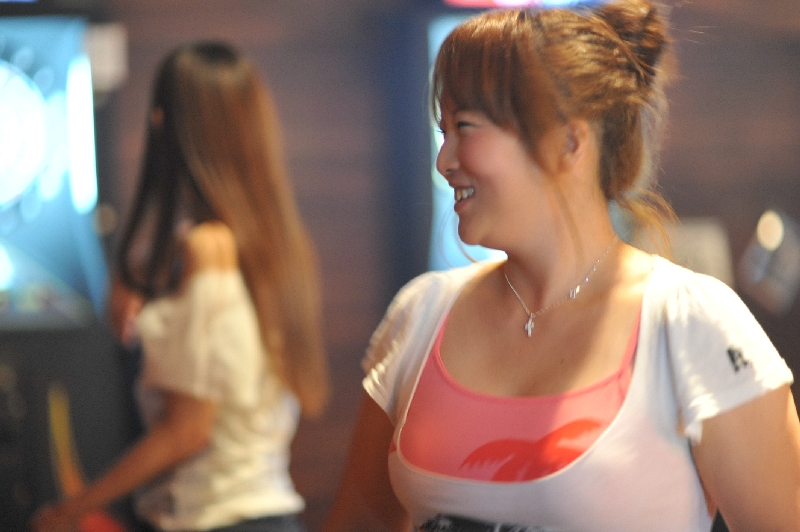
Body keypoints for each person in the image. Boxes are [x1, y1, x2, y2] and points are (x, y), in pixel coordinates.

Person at [323, 2, 800, 531]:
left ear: (570, 143)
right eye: (442, 133)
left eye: (465, 127)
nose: (445, 161)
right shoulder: (420, 314)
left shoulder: (690, 322)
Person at [32, 40, 329, 532]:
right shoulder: (276, 246)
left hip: (219, 517)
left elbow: (187, 431)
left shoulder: (206, 247)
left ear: (165, 123)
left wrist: (72, 509)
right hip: (264, 511)